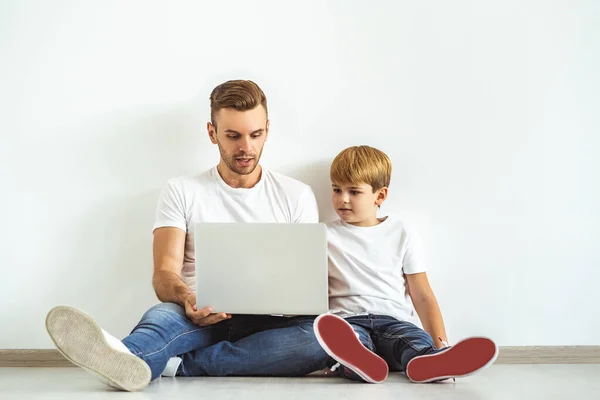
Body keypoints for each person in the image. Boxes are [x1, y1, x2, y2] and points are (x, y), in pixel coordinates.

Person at [45, 79, 333, 391]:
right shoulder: (182, 190)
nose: (246, 147)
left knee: (319, 339)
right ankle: (127, 357)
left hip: (274, 323)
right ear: (212, 133)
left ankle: (178, 365)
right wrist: (187, 299)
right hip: (198, 314)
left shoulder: (296, 195)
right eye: (233, 136)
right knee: (160, 318)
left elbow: (304, 283)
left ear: (267, 129)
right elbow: (164, 274)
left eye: (256, 134)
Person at [312, 145, 498, 383]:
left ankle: (432, 360)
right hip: (349, 321)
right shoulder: (323, 234)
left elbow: (422, 295)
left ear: (379, 196)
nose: (343, 199)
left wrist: (441, 342)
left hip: (393, 319)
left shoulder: (401, 232)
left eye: (354, 192)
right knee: (351, 342)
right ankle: (359, 362)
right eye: (337, 190)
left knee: (412, 340)